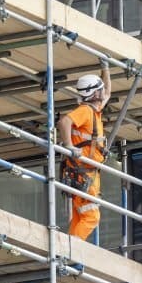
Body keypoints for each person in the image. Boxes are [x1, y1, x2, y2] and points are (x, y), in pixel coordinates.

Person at [58, 66, 111, 241]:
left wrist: (106, 69)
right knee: (91, 217)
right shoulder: (86, 111)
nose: (104, 91)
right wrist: (69, 145)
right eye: (100, 89)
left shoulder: (95, 110)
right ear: (95, 94)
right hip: (82, 173)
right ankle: (70, 251)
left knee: (80, 216)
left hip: (86, 173)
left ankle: (69, 248)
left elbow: (108, 92)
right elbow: (64, 122)